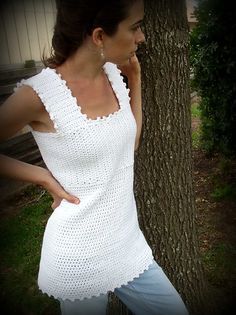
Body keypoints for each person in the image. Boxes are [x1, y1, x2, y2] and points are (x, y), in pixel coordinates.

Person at [0, 0, 189, 314]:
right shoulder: (39, 95)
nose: (141, 37)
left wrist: (136, 81)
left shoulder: (115, 76)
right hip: (79, 257)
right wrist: (42, 177)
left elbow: (131, 144)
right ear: (99, 36)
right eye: (135, 27)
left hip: (127, 243)